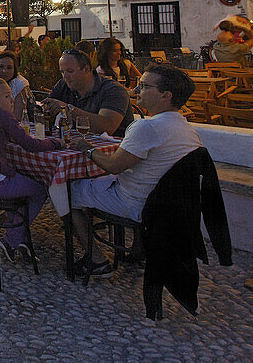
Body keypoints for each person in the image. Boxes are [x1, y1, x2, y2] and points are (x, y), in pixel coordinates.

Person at [68, 64, 201, 278]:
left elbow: (113, 165)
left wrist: (88, 149)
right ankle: (139, 249)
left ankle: (97, 260)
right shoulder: (186, 128)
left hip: (138, 204)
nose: (136, 90)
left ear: (166, 95)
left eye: (144, 86)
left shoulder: (147, 128)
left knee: (67, 193)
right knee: (107, 180)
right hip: (170, 204)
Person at [0, 78, 63, 262]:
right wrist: (56, 142)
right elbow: (30, 144)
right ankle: (12, 239)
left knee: (23, 181)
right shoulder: (2, 116)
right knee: (39, 189)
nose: (12, 100)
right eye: (7, 96)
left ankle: (20, 237)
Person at [41, 49, 133, 138]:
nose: (65, 76)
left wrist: (68, 109)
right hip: (78, 144)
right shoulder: (64, 85)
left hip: (113, 148)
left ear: (86, 69)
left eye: (70, 71)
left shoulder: (113, 90)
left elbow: (107, 128)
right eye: (62, 72)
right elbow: (45, 111)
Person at [0, 51, 31, 121]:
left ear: (14, 70)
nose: (4, 71)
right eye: (0, 66)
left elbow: (18, 116)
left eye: (9, 68)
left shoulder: (20, 84)